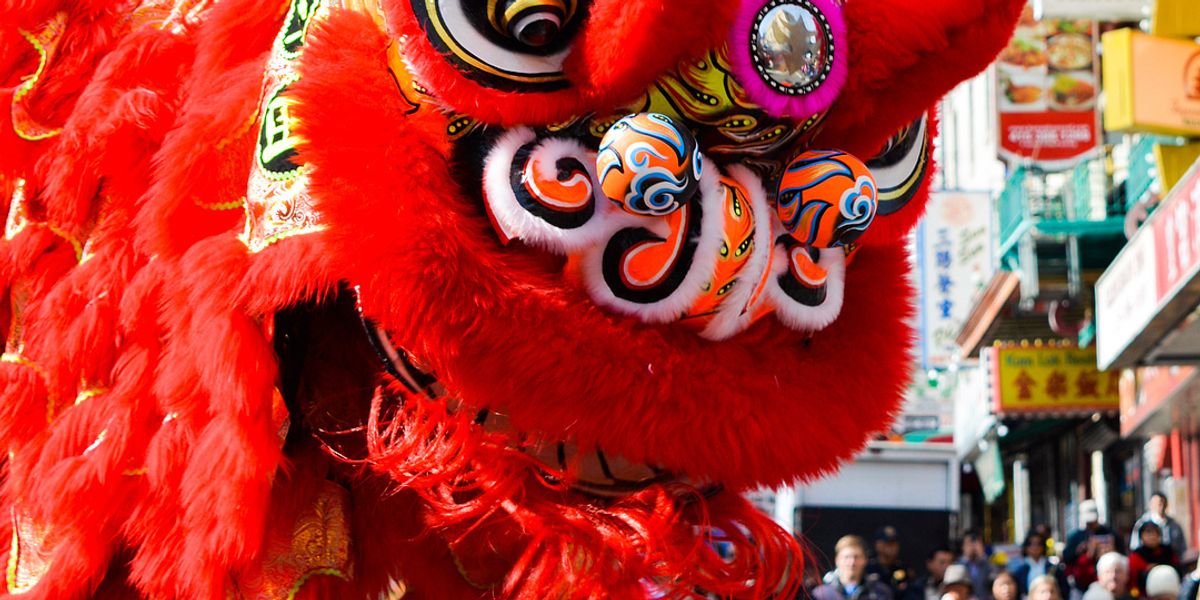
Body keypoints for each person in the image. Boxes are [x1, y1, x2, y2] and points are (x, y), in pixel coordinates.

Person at [813, 535, 894, 600]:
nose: (852, 562)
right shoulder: (821, 594)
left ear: (865, 560)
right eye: (847, 557)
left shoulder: (880, 592)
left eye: (857, 557)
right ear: (837, 560)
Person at [1065, 500, 1119, 595]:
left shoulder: (1110, 534)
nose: (1090, 524)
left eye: (1092, 521)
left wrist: (1111, 551)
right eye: (1088, 522)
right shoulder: (1076, 537)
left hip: (1107, 582)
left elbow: (1122, 555)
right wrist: (1079, 551)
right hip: (1082, 585)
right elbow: (1066, 557)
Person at [1010, 531, 1069, 599]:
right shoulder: (1020, 570)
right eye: (1031, 544)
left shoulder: (1053, 567)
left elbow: (1064, 590)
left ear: (1043, 546)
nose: (1035, 547)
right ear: (1026, 547)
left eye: (1038, 544)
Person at [1129, 522, 1179, 597]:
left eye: (1155, 532)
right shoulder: (1136, 556)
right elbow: (1133, 583)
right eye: (1148, 533)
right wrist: (1136, 596)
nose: (1152, 536)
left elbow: (1178, 571)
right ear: (1141, 537)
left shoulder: (1168, 552)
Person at [1130, 493, 1187, 559]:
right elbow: (1134, 547)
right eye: (1158, 504)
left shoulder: (1174, 525)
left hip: (1171, 562)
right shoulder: (1141, 524)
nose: (1161, 506)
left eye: (1163, 503)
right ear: (1151, 505)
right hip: (1148, 563)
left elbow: (1182, 548)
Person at [868, 526, 912, 599]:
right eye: (888, 543)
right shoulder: (869, 567)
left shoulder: (902, 567)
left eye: (894, 543)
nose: (892, 547)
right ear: (878, 545)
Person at [961, 531, 995, 600]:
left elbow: (996, 581)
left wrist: (982, 557)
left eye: (976, 543)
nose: (973, 547)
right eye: (969, 544)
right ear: (963, 546)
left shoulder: (990, 564)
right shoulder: (958, 566)